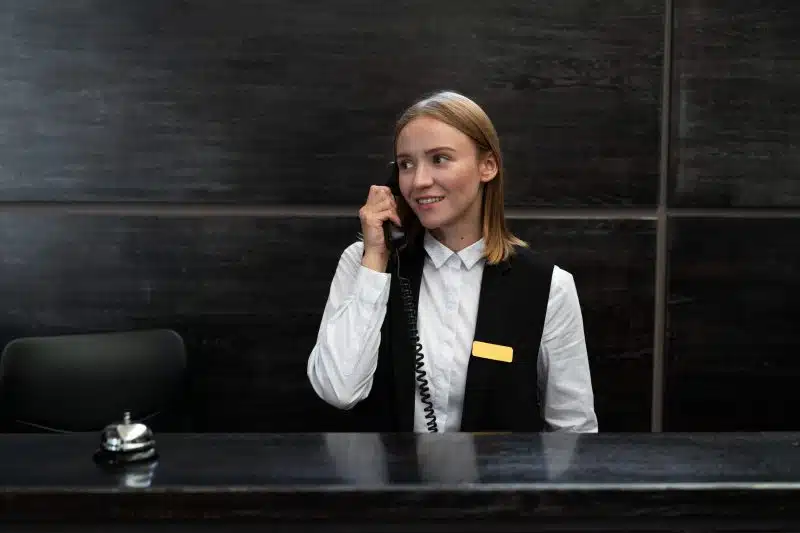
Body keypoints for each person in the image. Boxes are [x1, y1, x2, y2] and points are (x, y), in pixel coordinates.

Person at [307, 90, 597, 433]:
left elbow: (573, 431)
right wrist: (375, 258)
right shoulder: (364, 263)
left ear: (487, 166)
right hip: (389, 470)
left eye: (439, 159)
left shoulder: (548, 286)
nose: (419, 181)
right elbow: (339, 391)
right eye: (406, 164)